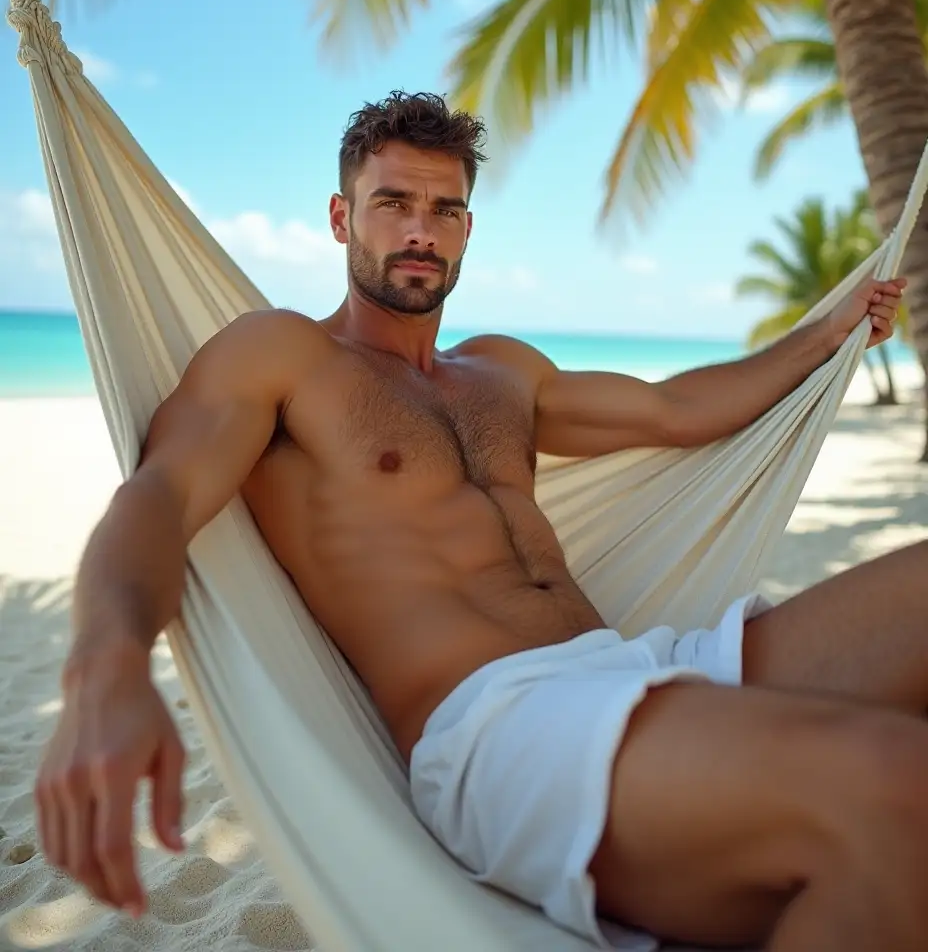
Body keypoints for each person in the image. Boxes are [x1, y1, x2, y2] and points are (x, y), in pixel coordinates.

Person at [34, 91, 919, 952]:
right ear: (343, 219)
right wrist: (105, 665)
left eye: (444, 209)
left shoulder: (501, 373)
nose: (420, 229)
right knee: (897, 791)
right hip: (504, 734)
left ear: (466, 228)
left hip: (638, 669)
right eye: (393, 203)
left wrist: (828, 331)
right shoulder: (281, 355)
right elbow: (157, 496)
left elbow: (673, 410)